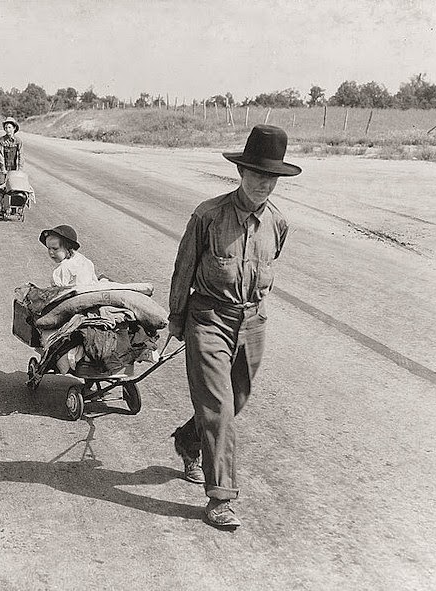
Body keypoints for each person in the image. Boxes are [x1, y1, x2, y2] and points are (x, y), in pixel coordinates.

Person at [168, 125, 301, 529]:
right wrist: (176, 318)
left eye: (271, 177)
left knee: (236, 399)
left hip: (253, 322)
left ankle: (188, 442)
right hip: (208, 318)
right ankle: (220, 498)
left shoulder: (278, 223)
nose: (264, 184)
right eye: (257, 174)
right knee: (219, 408)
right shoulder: (208, 215)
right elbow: (184, 269)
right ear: (241, 173)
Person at [0, 116, 23, 217]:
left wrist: (19, 170)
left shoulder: (18, 141)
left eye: (9, 127)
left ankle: (13, 208)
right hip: (2, 168)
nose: (7, 129)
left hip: (13, 168)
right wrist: (3, 169)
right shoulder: (2, 140)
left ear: (14, 128)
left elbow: (21, 156)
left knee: (14, 188)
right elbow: (0, 155)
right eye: (6, 127)